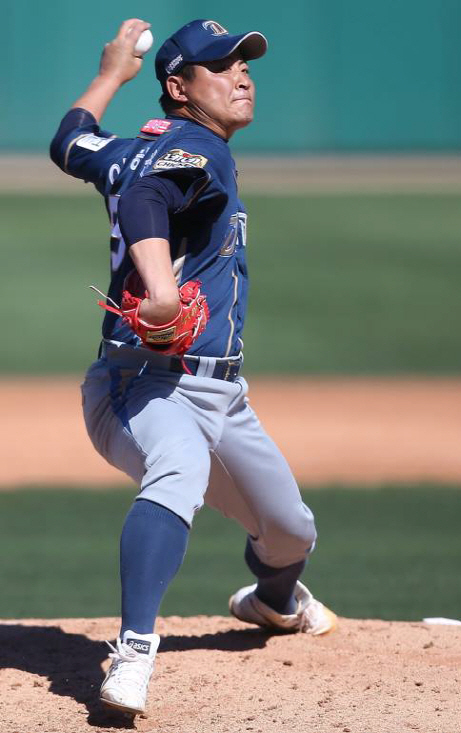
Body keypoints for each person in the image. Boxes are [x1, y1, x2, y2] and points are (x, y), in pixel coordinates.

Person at [50, 17, 336, 716]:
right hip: (141, 385)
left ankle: (272, 602)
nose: (242, 76)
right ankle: (133, 654)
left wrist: (111, 73)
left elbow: (71, 140)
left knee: (291, 530)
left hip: (219, 394)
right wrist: (159, 289)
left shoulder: (130, 150)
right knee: (177, 470)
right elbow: (147, 200)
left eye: (245, 64)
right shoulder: (199, 150)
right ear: (179, 88)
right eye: (222, 66)